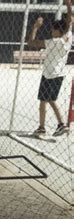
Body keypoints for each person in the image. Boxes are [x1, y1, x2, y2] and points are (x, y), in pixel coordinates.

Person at [28, 0, 72, 137]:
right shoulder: (69, 37)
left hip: (49, 74)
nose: (51, 31)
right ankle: (51, 126)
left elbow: (31, 42)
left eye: (53, 29)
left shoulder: (54, 42)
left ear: (58, 31)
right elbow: (70, 22)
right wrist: (69, 6)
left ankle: (52, 126)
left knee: (46, 100)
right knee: (47, 100)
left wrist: (35, 27)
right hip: (59, 74)